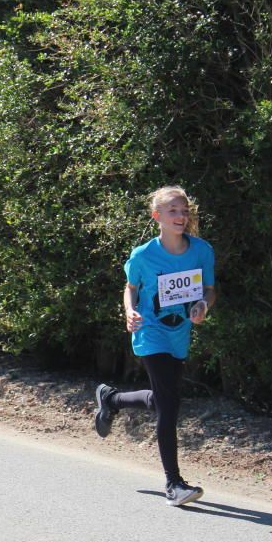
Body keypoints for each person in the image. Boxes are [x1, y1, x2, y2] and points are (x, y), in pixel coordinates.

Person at [93, 186, 217, 507]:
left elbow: (209, 290)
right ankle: (174, 484)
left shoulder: (201, 251)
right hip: (149, 332)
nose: (180, 216)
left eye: (184, 210)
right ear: (157, 216)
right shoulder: (143, 255)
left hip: (179, 334)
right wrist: (129, 311)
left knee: (164, 400)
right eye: (173, 211)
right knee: (170, 406)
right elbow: (130, 288)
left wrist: (203, 305)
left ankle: (112, 398)